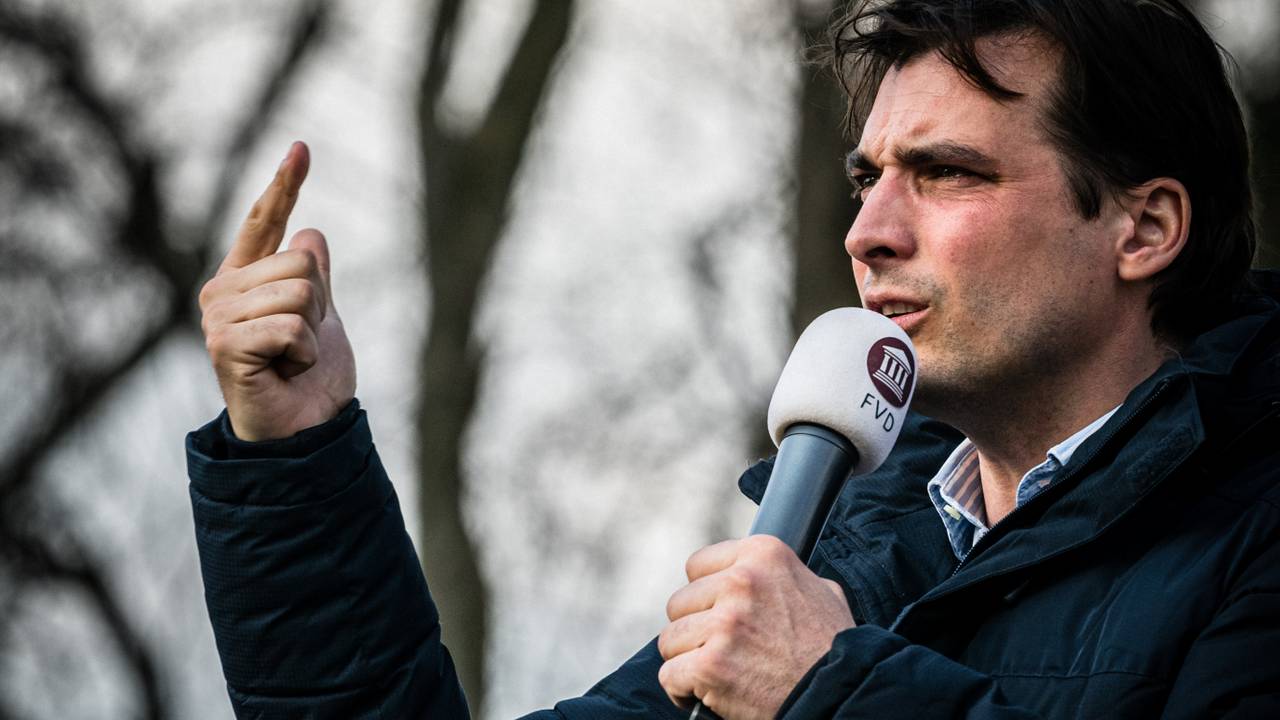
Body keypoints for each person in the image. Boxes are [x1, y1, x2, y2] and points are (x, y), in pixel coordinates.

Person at [187, 0, 1280, 717]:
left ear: (1142, 229)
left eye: (946, 174)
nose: (867, 232)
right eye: (867, 179)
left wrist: (831, 692)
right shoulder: (832, 555)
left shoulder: (1254, 531)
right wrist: (296, 449)